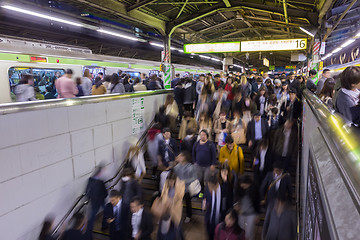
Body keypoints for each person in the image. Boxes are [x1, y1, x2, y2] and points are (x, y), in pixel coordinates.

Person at [152, 171, 185, 240]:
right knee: (163, 228)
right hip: (165, 210)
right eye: (169, 181)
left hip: (175, 210)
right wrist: (164, 202)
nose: (171, 183)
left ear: (175, 180)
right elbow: (163, 194)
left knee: (177, 227)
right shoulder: (166, 183)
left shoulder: (181, 184)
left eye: (172, 182)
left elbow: (180, 196)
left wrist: (171, 201)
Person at [203, 169, 232, 240]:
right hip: (210, 219)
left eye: (211, 186)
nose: (209, 189)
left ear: (216, 185)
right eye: (208, 186)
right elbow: (203, 196)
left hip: (220, 219)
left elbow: (229, 204)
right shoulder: (207, 189)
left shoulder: (224, 191)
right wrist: (204, 202)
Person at [174, 151, 198, 223]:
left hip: (187, 189)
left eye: (181, 156)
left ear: (185, 157)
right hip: (179, 188)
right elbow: (174, 175)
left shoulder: (191, 167)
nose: (179, 157)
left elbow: (194, 177)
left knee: (188, 202)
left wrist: (185, 181)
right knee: (178, 202)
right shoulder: (177, 167)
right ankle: (177, 214)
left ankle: (188, 215)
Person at [234, 175, 260, 240]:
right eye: (242, 186)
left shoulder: (254, 189)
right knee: (240, 230)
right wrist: (236, 205)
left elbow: (257, 202)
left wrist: (257, 214)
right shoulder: (239, 188)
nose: (244, 187)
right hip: (241, 213)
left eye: (245, 185)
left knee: (249, 231)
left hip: (251, 213)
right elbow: (236, 198)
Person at [192, 129, 217, 194]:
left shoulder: (210, 144)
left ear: (207, 136)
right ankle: (200, 193)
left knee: (206, 180)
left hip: (208, 166)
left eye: (204, 135)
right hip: (198, 165)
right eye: (201, 135)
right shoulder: (196, 144)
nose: (202, 136)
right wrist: (194, 162)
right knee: (199, 180)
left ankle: (207, 193)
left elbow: (214, 155)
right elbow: (193, 153)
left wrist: (213, 164)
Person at [85, 165, 108, 232]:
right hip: (101, 200)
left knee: (92, 215)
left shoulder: (90, 180)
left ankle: (89, 229)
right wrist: (105, 196)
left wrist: (90, 198)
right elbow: (105, 192)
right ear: (100, 173)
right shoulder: (101, 182)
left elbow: (87, 191)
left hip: (93, 201)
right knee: (106, 211)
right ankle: (104, 226)